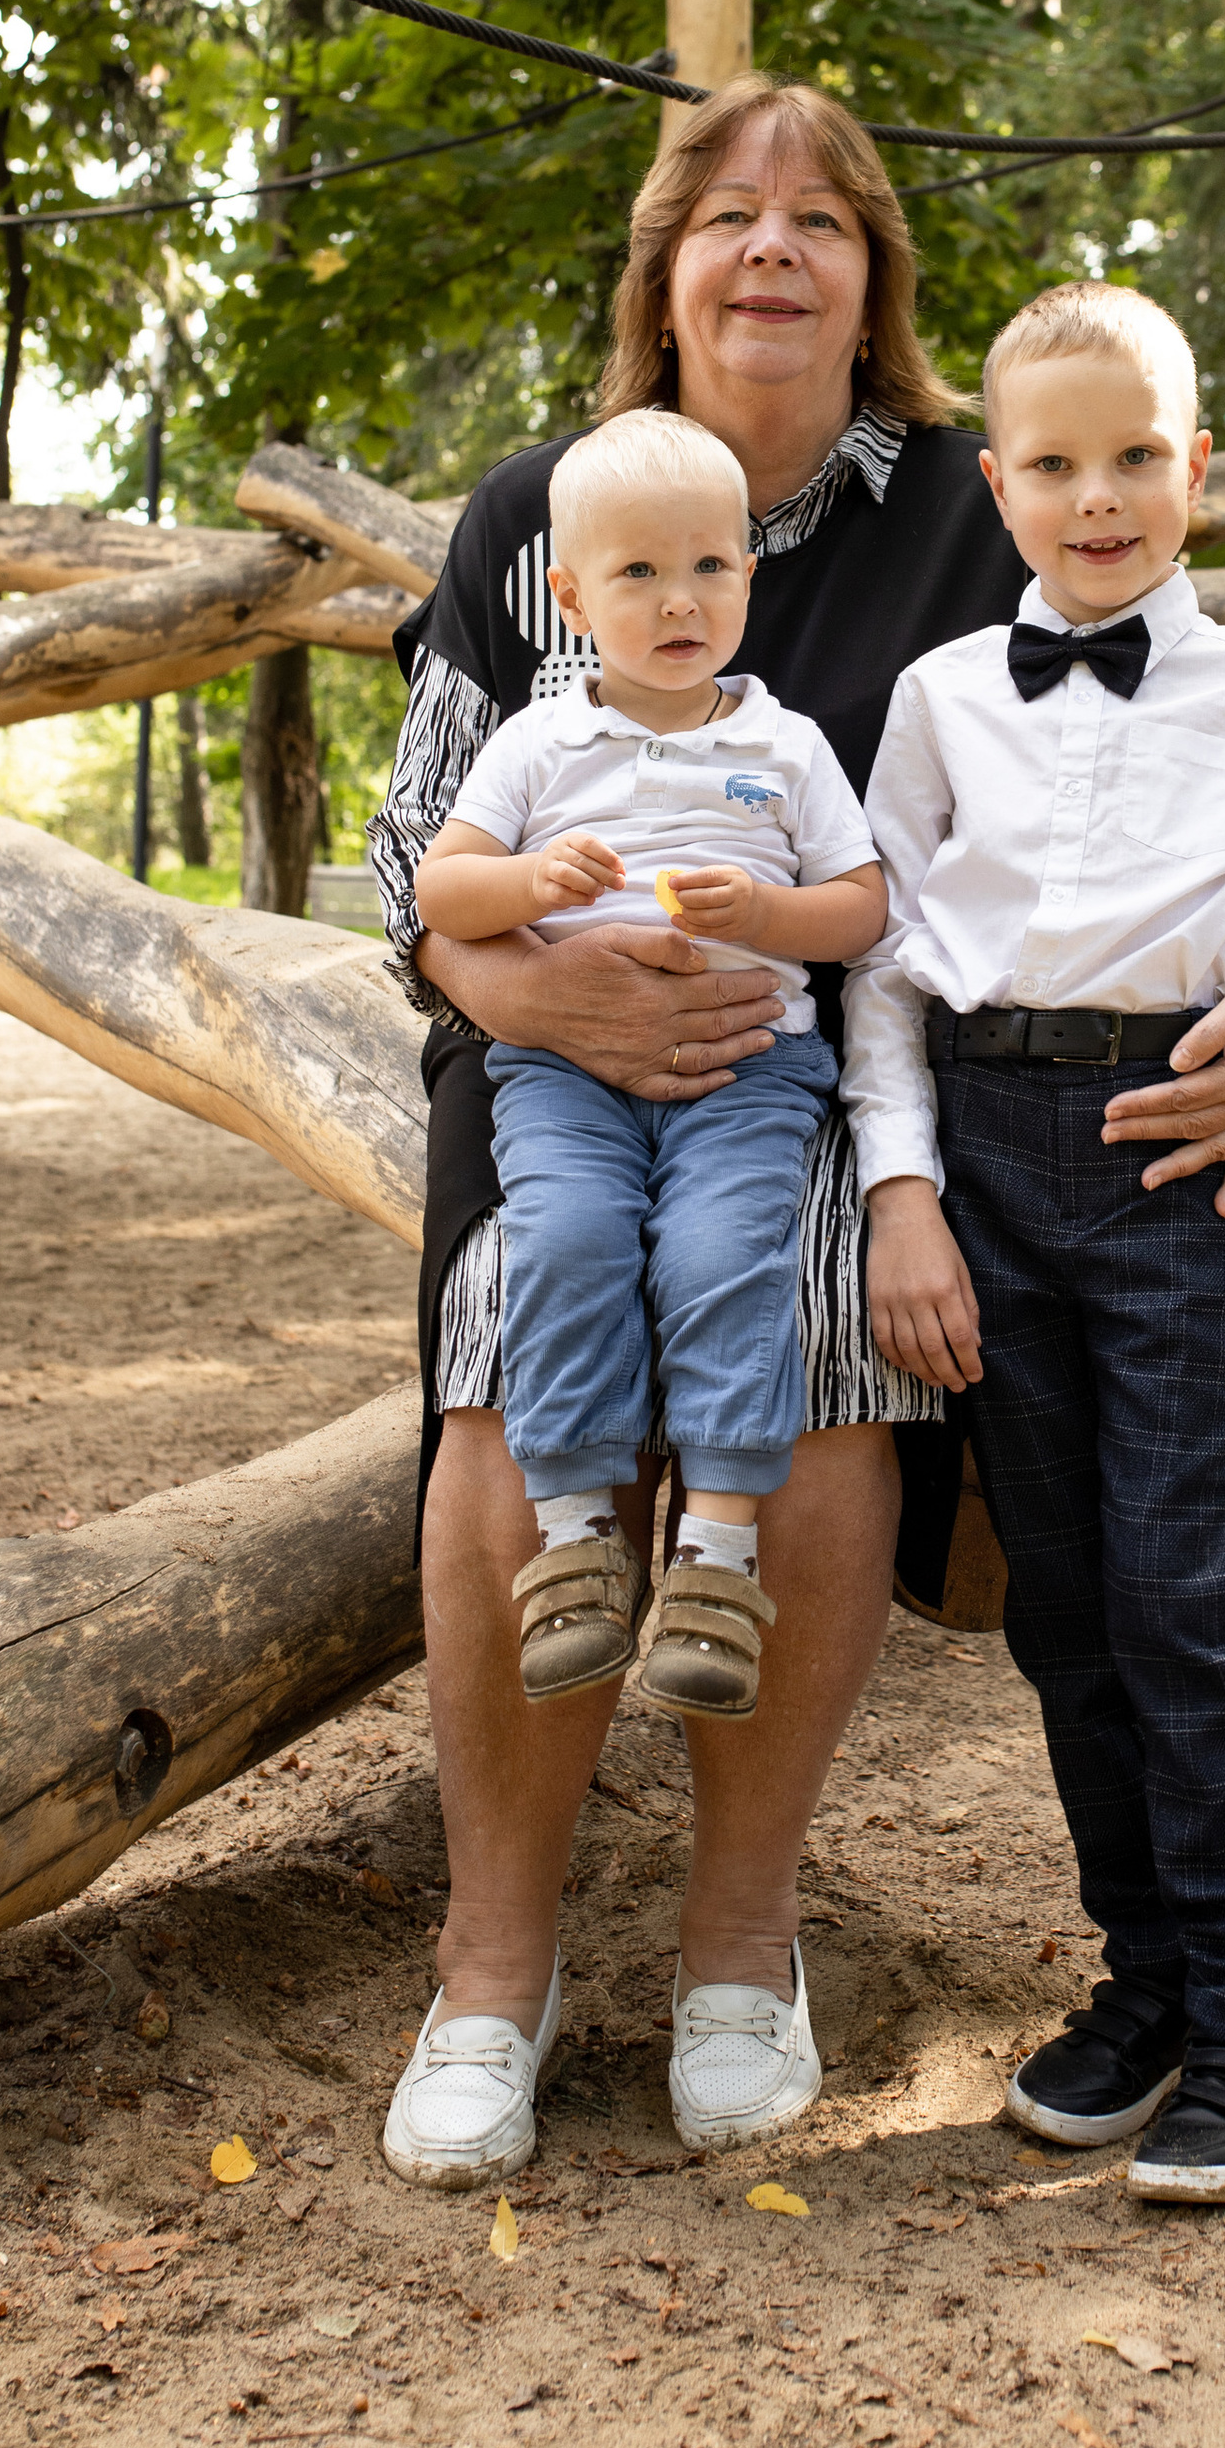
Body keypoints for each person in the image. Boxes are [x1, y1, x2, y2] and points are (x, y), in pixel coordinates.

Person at [367, 75, 1225, 2191]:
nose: (770, 243)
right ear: (665, 266)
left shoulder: (952, 511)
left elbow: (1152, 772)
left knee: (812, 1356)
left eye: (820, 213)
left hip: (828, 1068)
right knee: (496, 1361)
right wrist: (505, 985)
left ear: (873, 275)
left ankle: (740, 1947)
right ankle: (490, 1966)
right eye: (725, 210)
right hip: (535, 1047)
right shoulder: (537, 503)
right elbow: (407, 849)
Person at [845, 277, 1225, 2206]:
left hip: (1183, 1162)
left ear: (1197, 470)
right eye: (1057, 464)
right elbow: (887, 975)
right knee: (1064, 1607)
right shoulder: (935, 706)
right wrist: (902, 1189)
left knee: (1181, 1595)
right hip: (986, 1172)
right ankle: (1148, 1982)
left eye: (1137, 457)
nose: (1099, 498)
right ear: (996, 485)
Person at [412, 407, 888, 1724]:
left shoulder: (783, 748)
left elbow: (859, 904)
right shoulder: (537, 744)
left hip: (750, 1069)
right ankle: (574, 1548)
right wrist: (523, 879)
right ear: (569, 596)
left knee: (721, 1254)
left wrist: (764, 917)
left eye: (711, 567)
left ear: (749, 572)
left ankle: (718, 1562)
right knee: (566, 1243)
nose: (680, 601)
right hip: (564, 1074)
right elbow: (440, 889)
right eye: (637, 574)